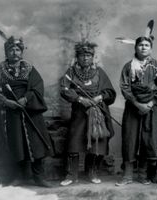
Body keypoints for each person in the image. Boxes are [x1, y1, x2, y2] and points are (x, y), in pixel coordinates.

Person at [0, 35, 54, 187]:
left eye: (18, 49)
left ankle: (39, 177)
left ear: (22, 52)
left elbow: (37, 86)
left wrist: (26, 98)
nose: (15, 52)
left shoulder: (29, 69)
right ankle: (19, 176)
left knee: (36, 142)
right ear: (6, 52)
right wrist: (7, 102)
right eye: (11, 50)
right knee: (15, 142)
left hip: (30, 110)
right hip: (10, 113)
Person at [60, 41, 116, 186]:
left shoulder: (99, 72)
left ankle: (92, 173)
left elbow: (110, 91)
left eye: (88, 55)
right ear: (77, 57)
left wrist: (99, 97)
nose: (85, 58)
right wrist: (79, 99)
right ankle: (72, 175)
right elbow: (64, 89)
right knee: (74, 142)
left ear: (93, 57)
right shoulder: (71, 72)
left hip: (98, 113)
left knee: (97, 141)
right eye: (82, 55)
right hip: (79, 113)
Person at [115, 35, 157, 186]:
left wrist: (150, 104)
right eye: (140, 45)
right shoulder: (128, 66)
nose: (143, 47)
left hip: (152, 107)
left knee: (147, 138)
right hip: (133, 106)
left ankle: (142, 175)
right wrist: (137, 104)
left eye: (146, 45)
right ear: (135, 47)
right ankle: (128, 175)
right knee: (130, 138)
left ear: (151, 48)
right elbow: (124, 87)